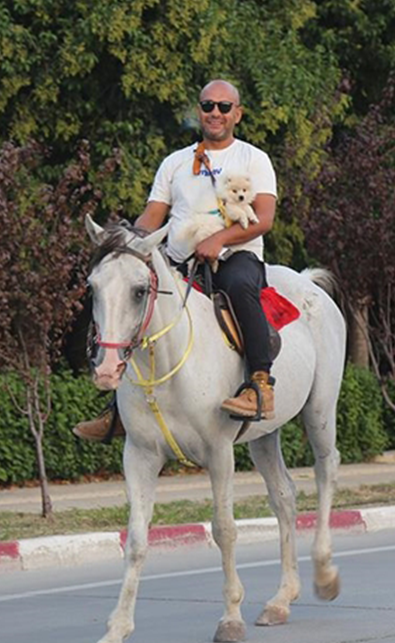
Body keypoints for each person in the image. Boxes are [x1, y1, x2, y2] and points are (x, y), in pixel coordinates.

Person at [74, 79, 278, 442]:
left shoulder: (254, 158)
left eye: (224, 107)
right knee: (138, 308)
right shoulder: (175, 162)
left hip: (235, 255)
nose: (215, 112)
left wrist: (220, 239)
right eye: (207, 105)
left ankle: (260, 383)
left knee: (241, 288)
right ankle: (120, 409)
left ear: (238, 114)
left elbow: (263, 219)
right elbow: (151, 218)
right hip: (178, 262)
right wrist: (125, 246)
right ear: (199, 111)